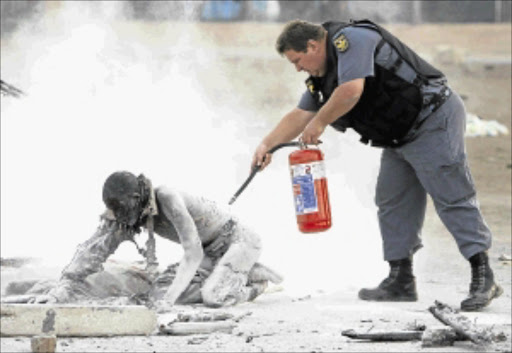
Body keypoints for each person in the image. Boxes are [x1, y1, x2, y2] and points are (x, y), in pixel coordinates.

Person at [251, 19, 502, 311]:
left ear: (312, 45)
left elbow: (351, 90)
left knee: (450, 195)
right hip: (398, 136)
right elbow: (301, 113)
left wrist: (320, 123)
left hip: (433, 119)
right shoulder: (322, 75)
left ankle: (483, 275)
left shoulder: (352, 39)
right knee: (392, 199)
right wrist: (266, 146)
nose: (298, 69)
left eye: (298, 60)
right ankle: (401, 280)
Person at [29, 171, 282, 308]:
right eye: (119, 212)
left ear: (138, 197)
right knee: (161, 291)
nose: (123, 218)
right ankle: (229, 273)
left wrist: (167, 302)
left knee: (213, 297)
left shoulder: (167, 197)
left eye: (126, 209)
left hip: (238, 241)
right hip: (208, 253)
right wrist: (59, 292)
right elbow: (92, 251)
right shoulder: (127, 212)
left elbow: (191, 253)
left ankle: (254, 282)